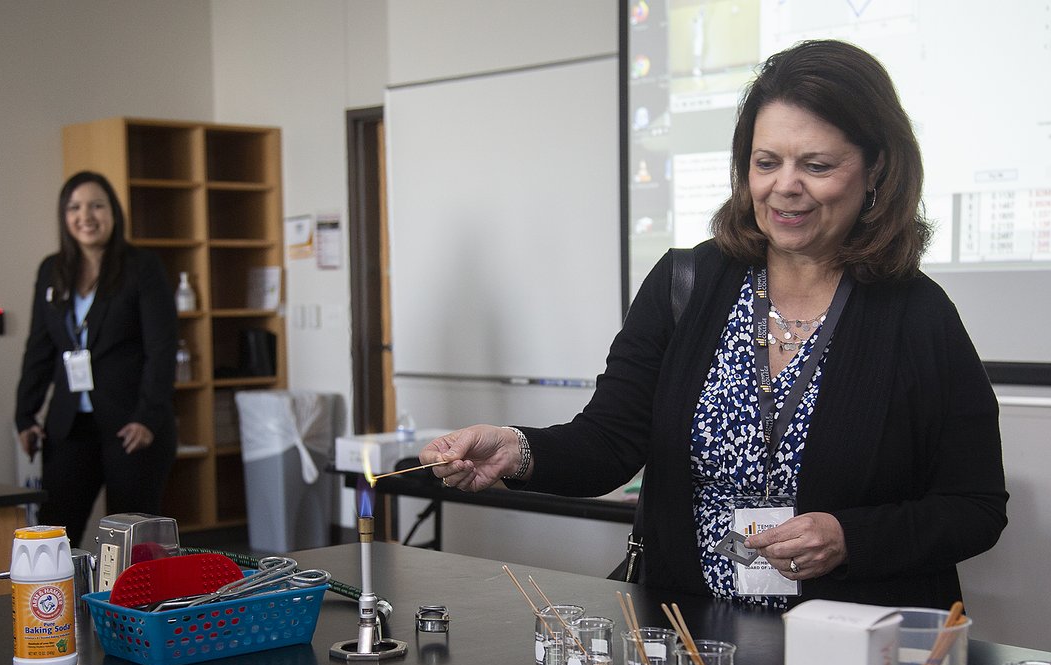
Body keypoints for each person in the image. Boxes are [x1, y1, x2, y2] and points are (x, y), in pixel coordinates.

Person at [420, 40, 1007, 609]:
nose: (785, 187)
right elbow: (609, 443)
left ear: (876, 168)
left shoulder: (918, 315)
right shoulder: (687, 284)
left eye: (818, 165)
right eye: (766, 162)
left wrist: (850, 537)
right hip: (691, 641)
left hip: (845, 655)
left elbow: (975, 506)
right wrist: (516, 450)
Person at [15, 171, 178, 547]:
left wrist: (149, 416)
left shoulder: (142, 267)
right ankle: (56, 607)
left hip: (131, 425)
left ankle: (131, 607)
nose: (85, 215)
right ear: (64, 216)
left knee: (132, 541)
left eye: (96, 205)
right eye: (75, 207)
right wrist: (25, 414)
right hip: (70, 426)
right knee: (55, 532)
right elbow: (39, 348)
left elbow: (162, 347)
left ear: (113, 213)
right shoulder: (51, 270)